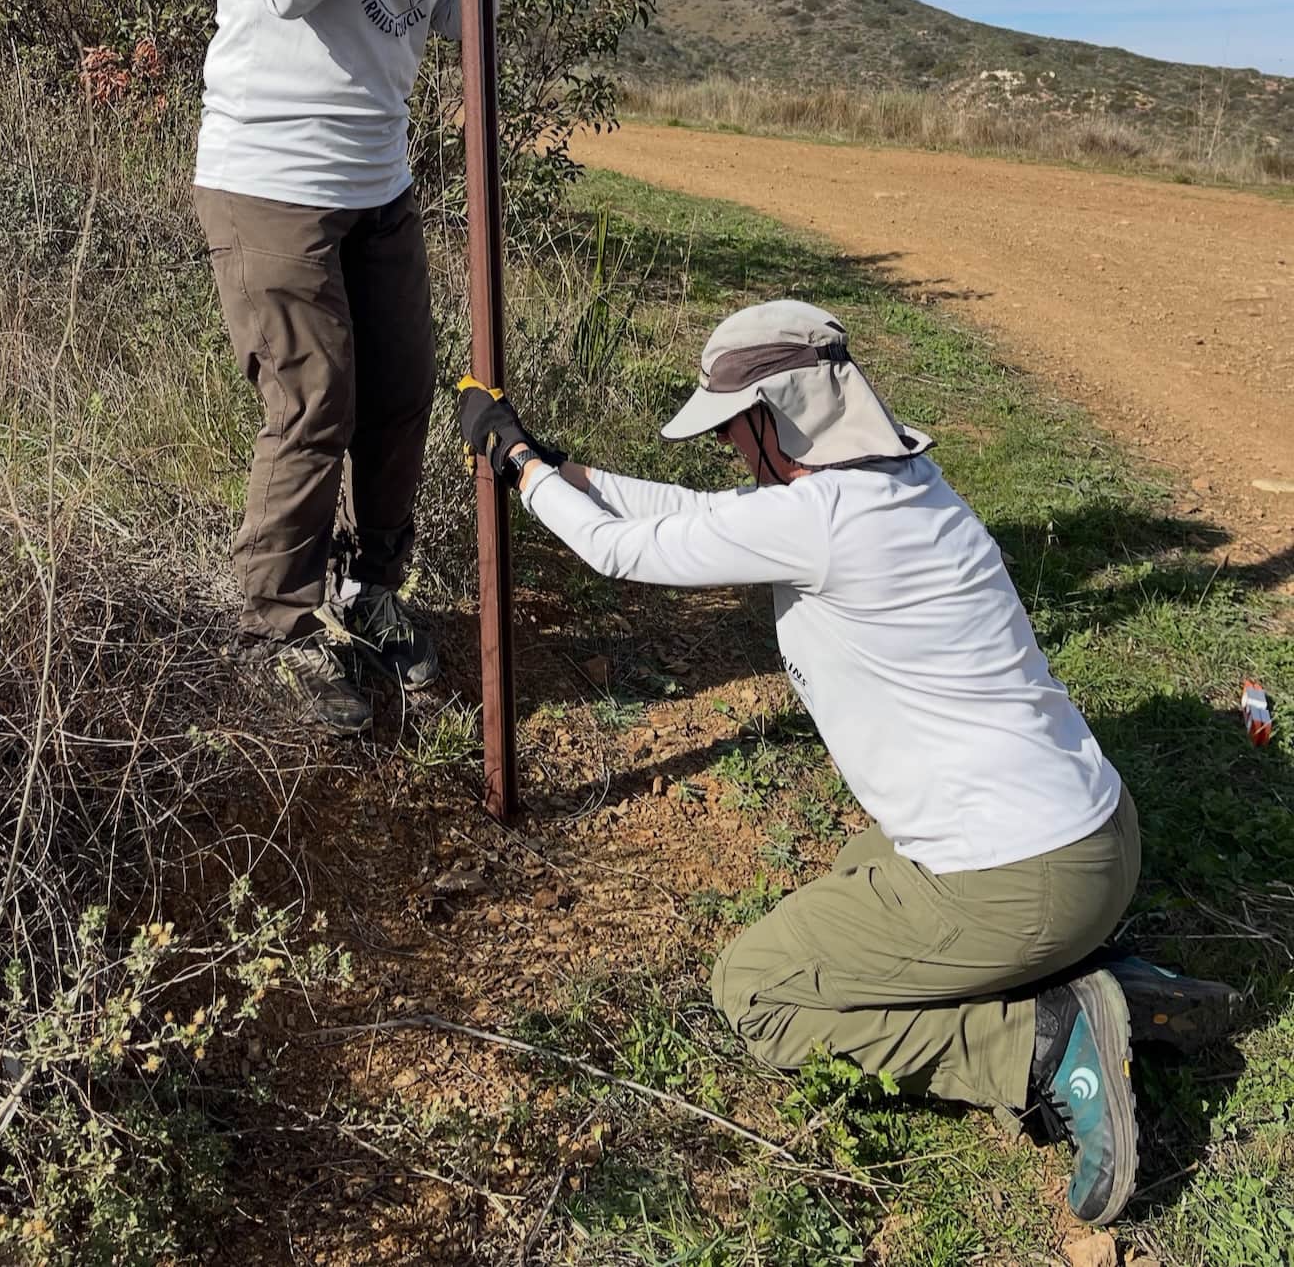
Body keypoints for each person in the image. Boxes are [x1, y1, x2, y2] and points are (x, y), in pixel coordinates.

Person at [460, 301, 1242, 1227]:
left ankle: (1039, 1043)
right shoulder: (899, 484)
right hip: (1099, 842)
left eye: (733, 430)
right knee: (856, 873)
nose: (730, 453)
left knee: (755, 989)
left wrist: (515, 467)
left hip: (1025, 882)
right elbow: (696, 515)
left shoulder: (823, 521)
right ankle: (1103, 978)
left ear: (771, 418)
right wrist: (555, 466)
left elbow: (619, 550)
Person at [195, 0, 537, 736]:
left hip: (374, 180)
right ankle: (273, 629)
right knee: (313, 403)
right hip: (270, 181)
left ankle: (370, 589)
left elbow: (445, 14)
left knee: (398, 393)